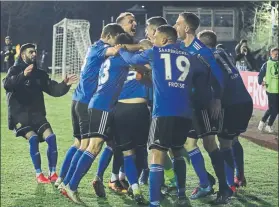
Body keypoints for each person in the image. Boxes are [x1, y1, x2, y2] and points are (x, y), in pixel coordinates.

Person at [117, 25, 213, 207]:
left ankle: (154, 202)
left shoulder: (155, 52)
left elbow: (130, 58)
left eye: (155, 38)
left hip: (163, 111)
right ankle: (182, 195)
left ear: (163, 40)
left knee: (157, 154)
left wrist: (121, 49)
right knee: (177, 151)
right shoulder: (189, 55)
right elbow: (202, 71)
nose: (153, 41)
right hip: (184, 112)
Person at [62, 33, 148, 205]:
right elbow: (143, 62)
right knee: (94, 147)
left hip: (98, 103)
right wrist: (143, 46)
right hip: (103, 105)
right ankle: (71, 186)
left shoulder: (110, 60)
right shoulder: (123, 58)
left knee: (100, 145)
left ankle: (71, 183)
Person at [55, 23, 124, 192]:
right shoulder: (101, 47)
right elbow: (114, 51)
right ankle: (68, 184)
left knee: (78, 143)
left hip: (78, 98)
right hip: (86, 100)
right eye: (115, 39)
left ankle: (61, 179)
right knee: (86, 145)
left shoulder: (93, 47)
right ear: (108, 36)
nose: (116, 43)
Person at [175, 12, 233, 204]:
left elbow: (218, 76)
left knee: (210, 145)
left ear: (187, 28)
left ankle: (224, 189)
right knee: (189, 145)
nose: (175, 27)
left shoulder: (201, 50)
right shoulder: (179, 47)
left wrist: (216, 98)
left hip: (201, 105)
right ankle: (206, 182)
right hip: (186, 104)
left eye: (178, 24)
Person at [2, 43, 78, 184]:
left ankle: (53, 172)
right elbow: (7, 84)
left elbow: (53, 89)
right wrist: (23, 75)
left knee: (51, 137)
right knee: (33, 139)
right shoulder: (15, 69)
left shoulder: (39, 73)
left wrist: (65, 84)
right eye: (31, 52)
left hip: (37, 114)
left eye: (35, 52)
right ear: (23, 54)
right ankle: (39, 174)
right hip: (20, 115)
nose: (34, 54)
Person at [198, 29, 253, 191]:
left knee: (225, 144)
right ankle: (240, 175)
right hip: (245, 101)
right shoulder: (221, 52)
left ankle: (230, 185)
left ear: (202, 44)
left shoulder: (208, 57)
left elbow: (219, 79)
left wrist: (216, 99)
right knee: (233, 139)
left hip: (231, 104)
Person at [258, 47, 279, 133]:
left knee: (271, 109)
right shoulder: (267, 64)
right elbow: (260, 75)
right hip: (271, 90)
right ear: (271, 54)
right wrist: (261, 82)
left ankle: (262, 122)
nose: (277, 55)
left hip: (278, 90)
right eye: (275, 54)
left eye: (278, 54)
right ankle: (269, 125)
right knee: (275, 109)